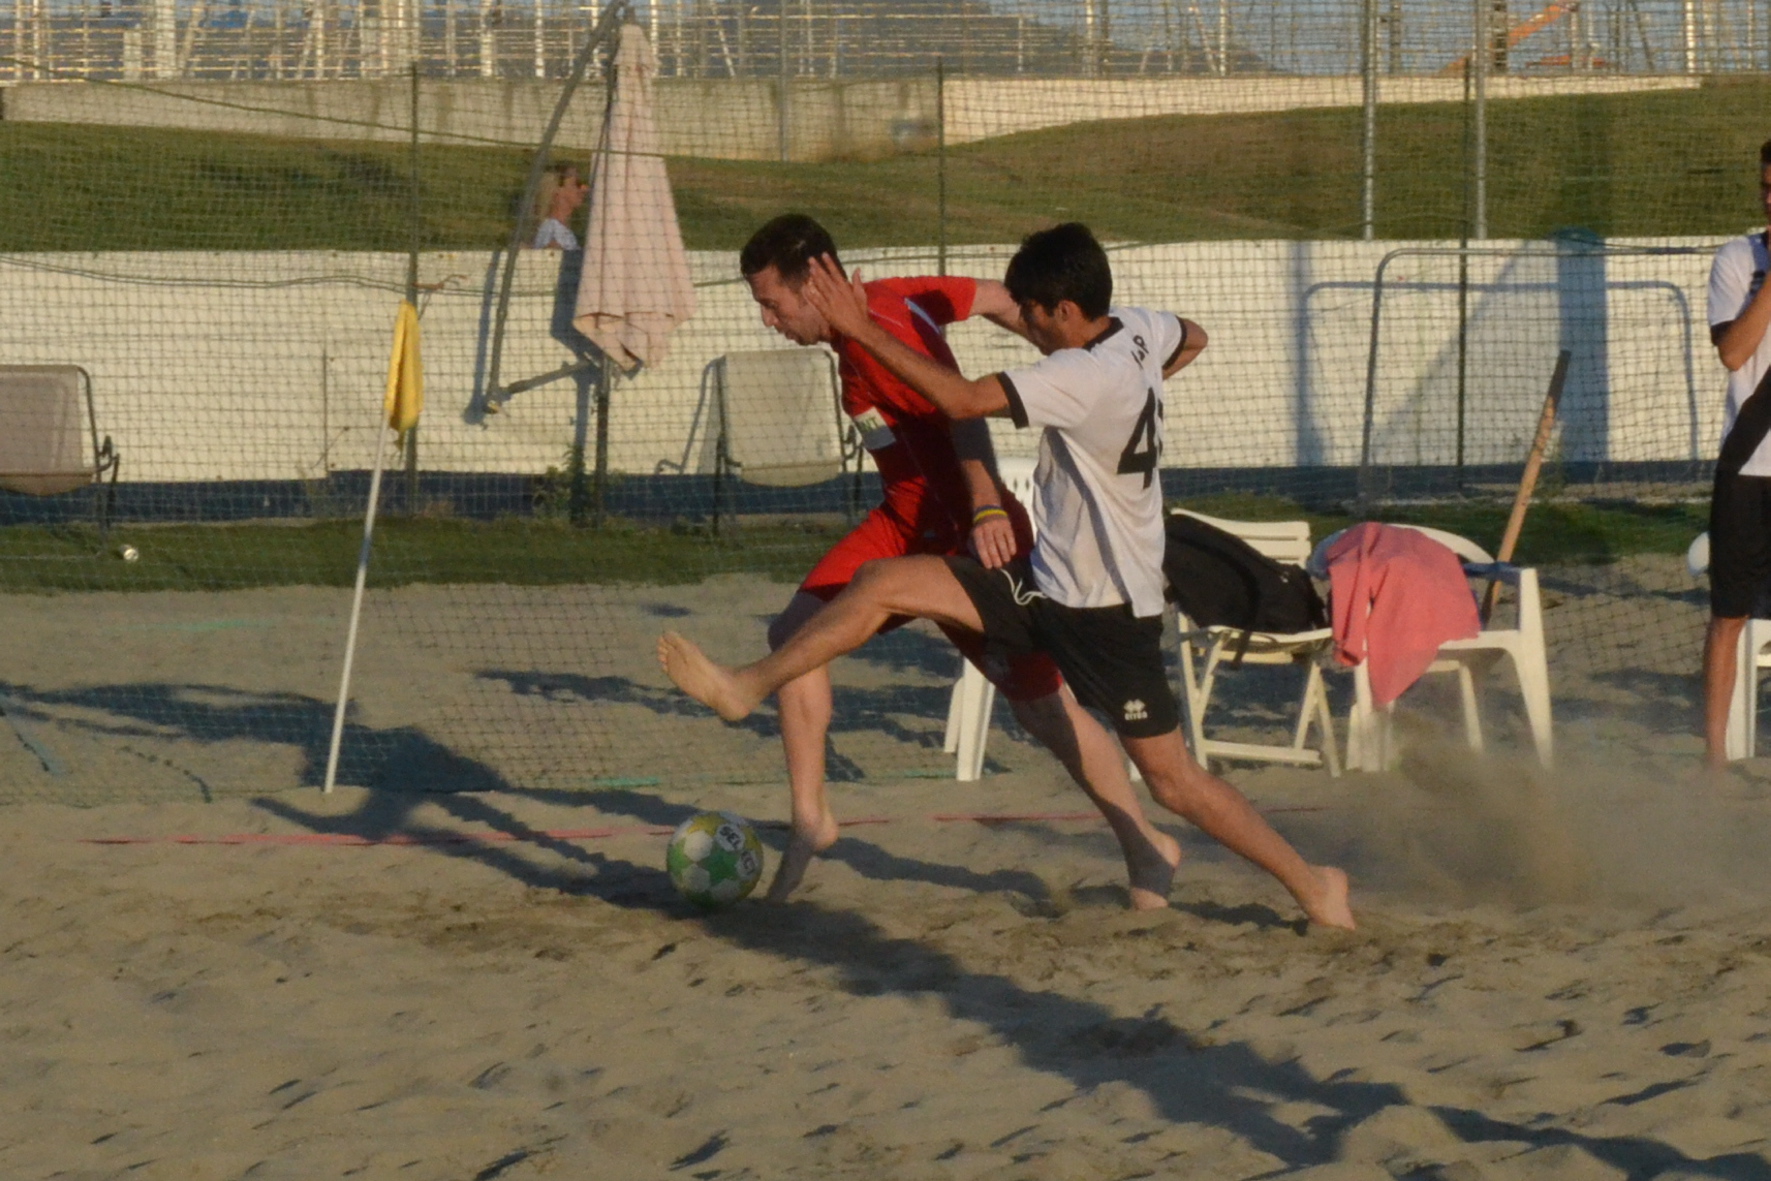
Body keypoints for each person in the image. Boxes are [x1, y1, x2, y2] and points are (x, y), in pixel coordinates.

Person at [661, 223, 1354, 930]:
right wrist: (1131, 395)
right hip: (1042, 582)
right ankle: (754, 701)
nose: (1021, 322)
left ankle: (1308, 880)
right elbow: (1191, 335)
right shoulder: (1131, 335)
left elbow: (961, 404)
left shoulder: (1077, 375)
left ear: (1061, 310)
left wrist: (866, 335)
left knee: (1171, 780)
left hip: (1105, 606)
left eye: (1032, 314)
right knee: (874, 586)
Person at [728, 213, 1179, 908]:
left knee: (1043, 712)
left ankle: (1145, 846)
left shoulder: (880, 332)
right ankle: (811, 817)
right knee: (795, 636)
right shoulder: (900, 291)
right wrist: (1058, 345)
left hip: (970, 532)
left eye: (770, 303)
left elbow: (961, 408)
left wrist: (987, 504)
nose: (766, 320)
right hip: (900, 520)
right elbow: (1000, 297)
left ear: (815, 287)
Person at [530, 163, 587, 251]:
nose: (584, 188)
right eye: (576, 184)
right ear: (558, 190)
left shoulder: (562, 230)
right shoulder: (552, 230)